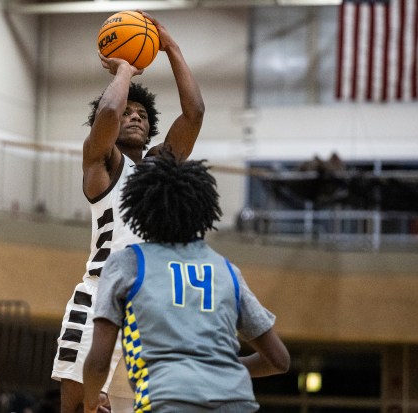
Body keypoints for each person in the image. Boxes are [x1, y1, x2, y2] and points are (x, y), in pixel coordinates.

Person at [51, 9, 205, 413]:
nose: (135, 117)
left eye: (143, 116)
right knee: (76, 407)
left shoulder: (155, 167)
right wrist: (124, 71)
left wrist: (170, 47)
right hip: (99, 294)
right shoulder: (100, 165)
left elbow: (194, 114)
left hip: (149, 307)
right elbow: (106, 114)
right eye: (129, 113)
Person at [82, 151, 290, 413]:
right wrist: (219, 369)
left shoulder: (127, 264)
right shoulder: (226, 270)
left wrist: (90, 403)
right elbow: (279, 360)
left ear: (137, 209)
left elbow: (99, 362)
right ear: (202, 209)